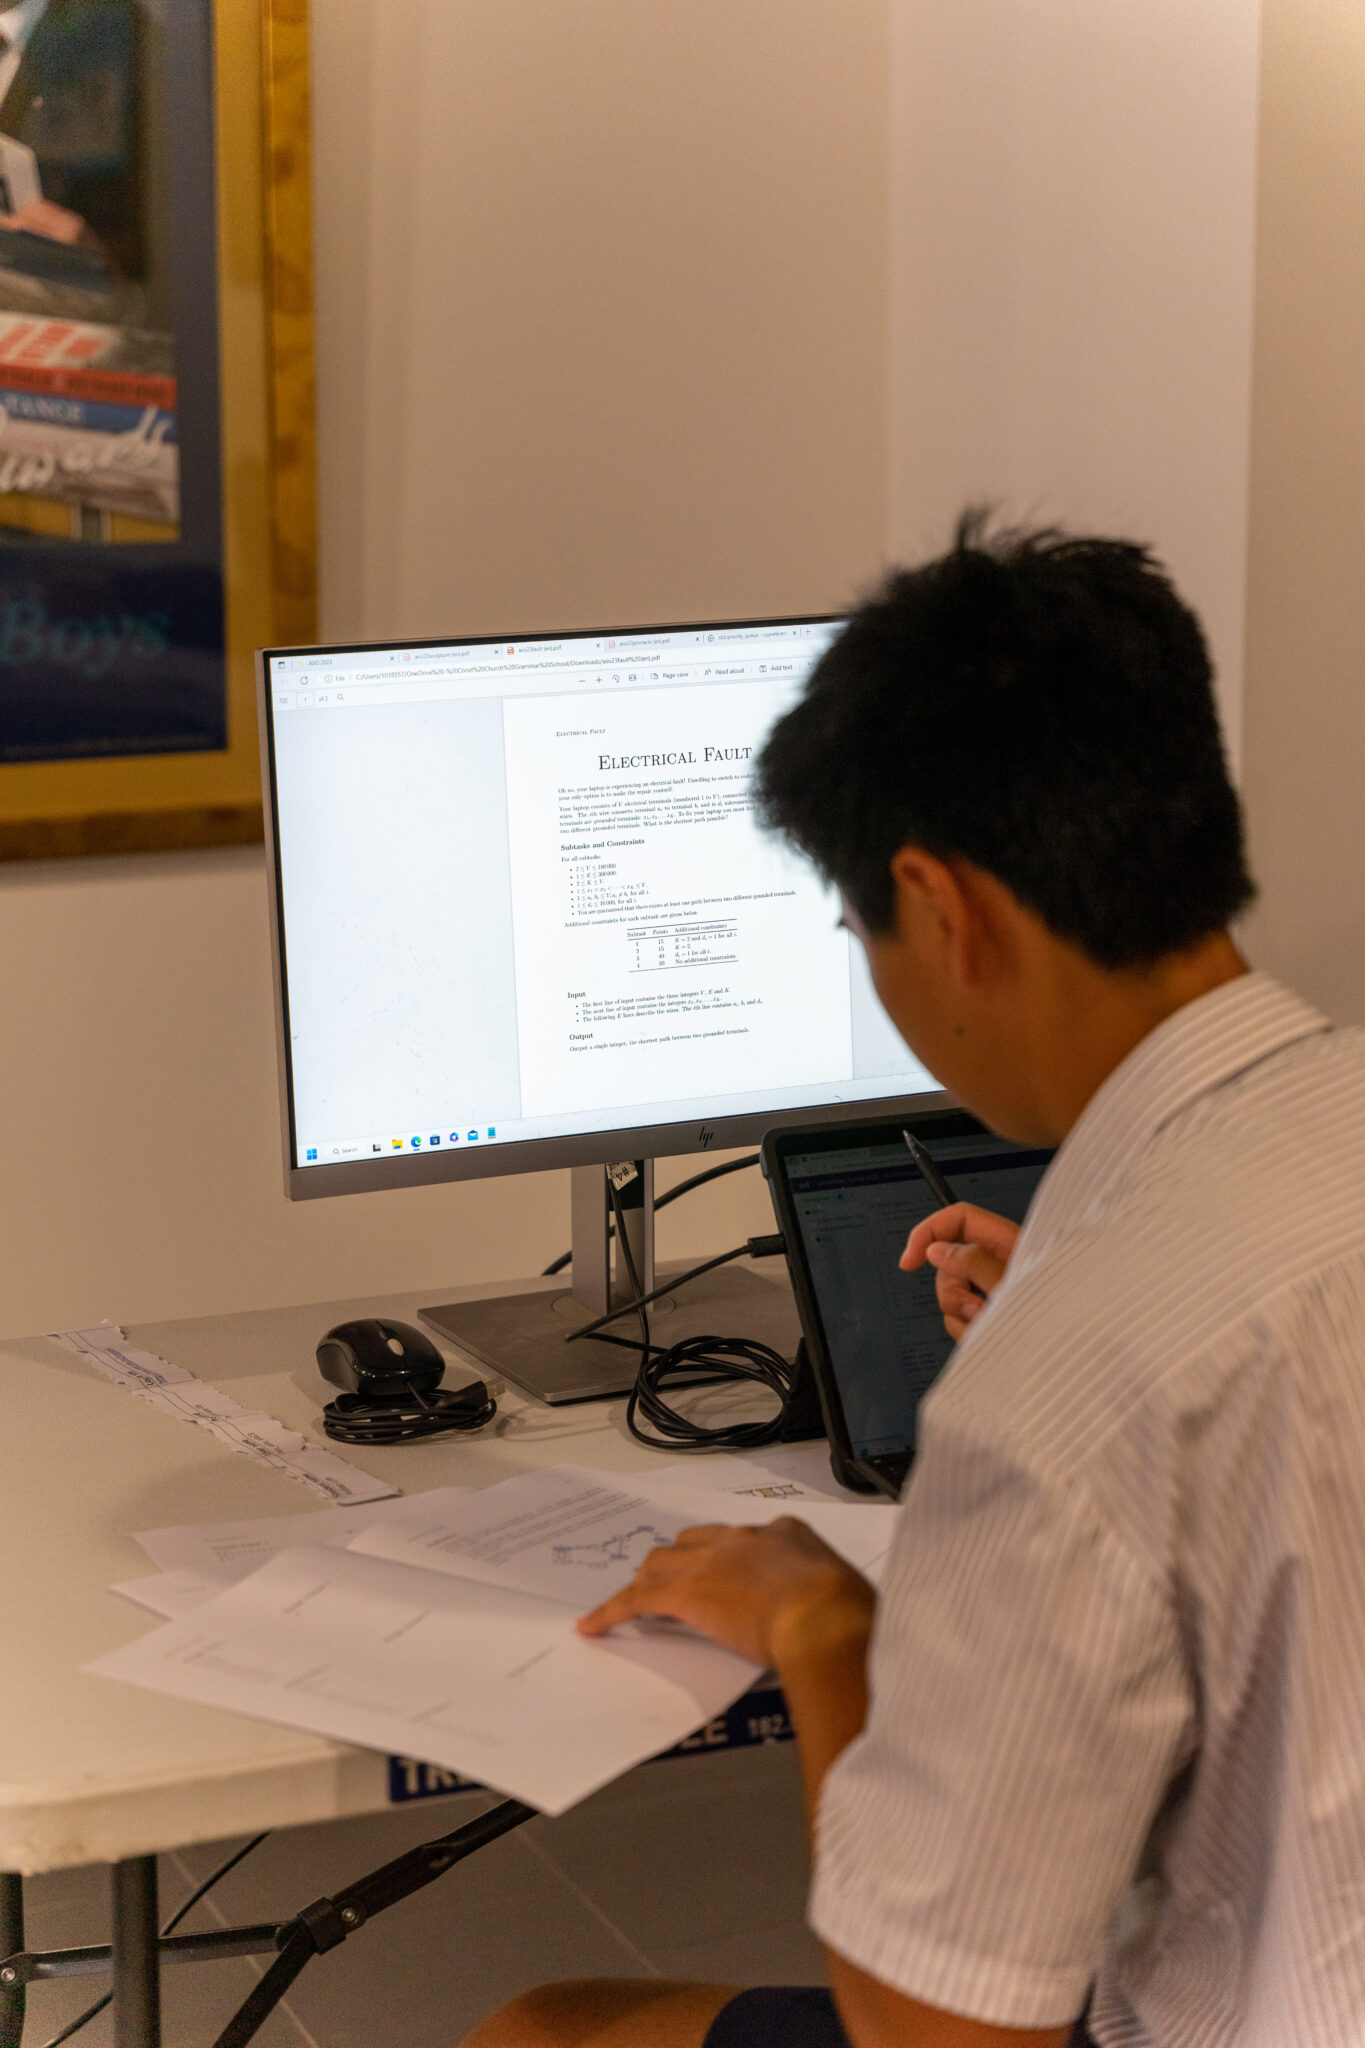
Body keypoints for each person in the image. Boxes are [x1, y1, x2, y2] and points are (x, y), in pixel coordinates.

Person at [464, 518, 1365, 2048]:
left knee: (545, 2030)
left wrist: (825, 1628)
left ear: (940, 909)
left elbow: (938, 2041)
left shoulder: (1064, 1383)